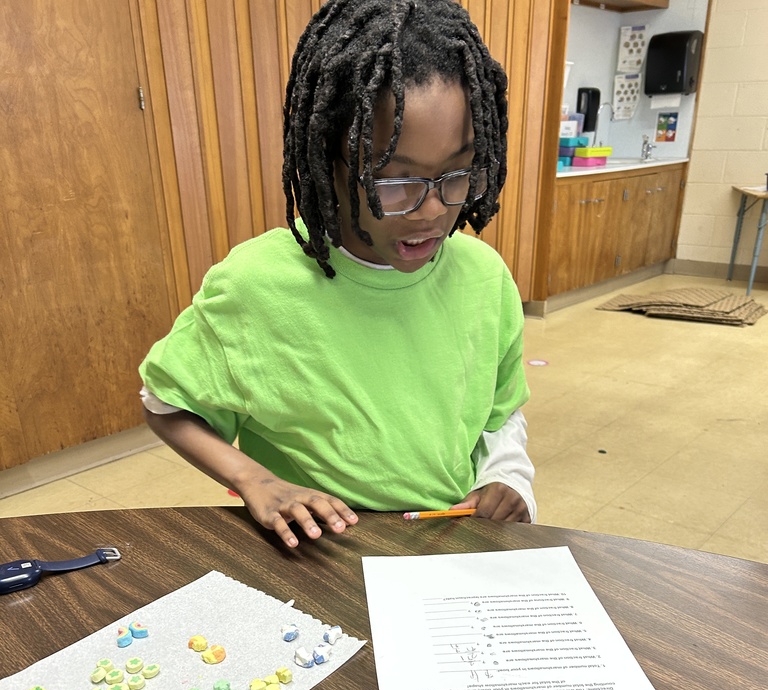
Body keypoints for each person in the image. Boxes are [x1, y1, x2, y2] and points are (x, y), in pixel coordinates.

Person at [139, 0, 536, 549]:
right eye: (394, 181)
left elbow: (498, 414)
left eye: (459, 173)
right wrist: (255, 480)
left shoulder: (484, 277)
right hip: (317, 556)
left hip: (440, 545)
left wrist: (508, 476)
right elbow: (165, 403)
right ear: (328, 160)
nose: (432, 210)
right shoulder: (257, 283)